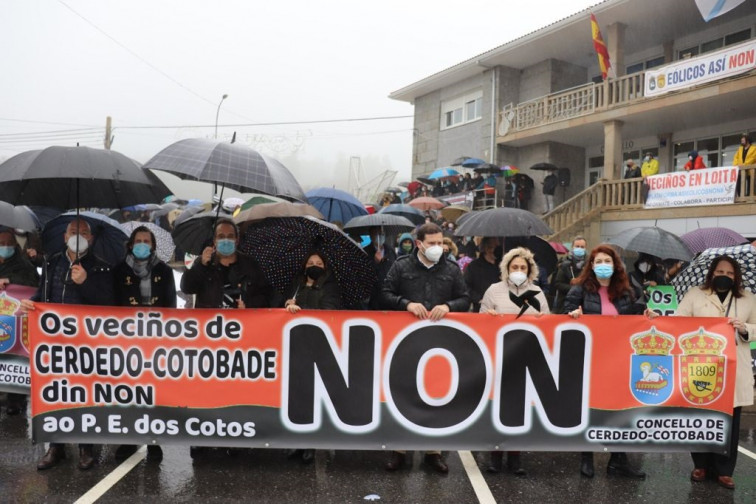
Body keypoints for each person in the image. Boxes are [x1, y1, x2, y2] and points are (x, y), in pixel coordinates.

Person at [647, 255, 755, 490]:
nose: (724, 276)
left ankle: (725, 470)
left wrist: (744, 328)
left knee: (730, 420)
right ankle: (701, 464)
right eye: (720, 272)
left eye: (729, 273)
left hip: (733, 368)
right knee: (700, 415)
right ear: (711, 272)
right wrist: (658, 317)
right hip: (701, 368)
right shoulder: (695, 294)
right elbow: (678, 321)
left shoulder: (747, 299)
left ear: (736, 276)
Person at [20, 219, 115, 471]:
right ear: (65, 237)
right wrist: (31, 303)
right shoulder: (52, 262)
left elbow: (108, 305)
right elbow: (43, 294)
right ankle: (56, 446)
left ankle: (86, 447)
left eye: (84, 233)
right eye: (74, 232)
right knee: (55, 392)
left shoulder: (101, 268)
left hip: (87, 344)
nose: (79, 236)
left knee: (84, 393)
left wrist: (86, 282)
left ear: (91, 239)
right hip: (53, 342)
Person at [381, 222, 470, 474]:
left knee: (437, 396)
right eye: (432, 243)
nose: (437, 247)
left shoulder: (452, 269)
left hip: (441, 342)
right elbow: (384, 294)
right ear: (419, 244)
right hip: (406, 342)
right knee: (403, 393)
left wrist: (450, 306)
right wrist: (406, 304)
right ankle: (399, 450)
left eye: (440, 242)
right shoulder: (400, 266)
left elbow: (466, 298)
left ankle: (434, 452)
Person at [563, 245, 645, 479]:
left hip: (619, 359)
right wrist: (572, 314)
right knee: (591, 407)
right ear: (591, 265)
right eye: (598, 261)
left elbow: (635, 318)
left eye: (607, 262)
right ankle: (586, 456)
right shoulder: (580, 289)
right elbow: (565, 312)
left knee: (620, 408)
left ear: (615, 265)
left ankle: (618, 460)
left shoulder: (626, 291)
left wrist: (648, 316)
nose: (603, 266)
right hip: (591, 358)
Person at [480, 247, 550, 477]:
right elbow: (479, 321)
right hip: (499, 357)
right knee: (498, 406)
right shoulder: (493, 290)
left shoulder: (537, 293)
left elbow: (548, 325)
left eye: (523, 267)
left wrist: (541, 320)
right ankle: (495, 454)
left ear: (530, 270)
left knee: (520, 407)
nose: (518, 271)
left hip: (527, 357)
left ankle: (515, 456)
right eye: (514, 267)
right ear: (506, 268)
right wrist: (487, 318)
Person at [112, 226, 177, 462]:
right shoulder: (118, 270)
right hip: (126, 340)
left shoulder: (165, 271)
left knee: (153, 391)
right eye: (138, 240)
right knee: (128, 390)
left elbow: (171, 306)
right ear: (130, 244)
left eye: (146, 241)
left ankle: (154, 440)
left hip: (156, 340)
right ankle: (128, 439)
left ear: (152, 245)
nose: (142, 244)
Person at [283, 252, 341, 464]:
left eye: (318, 263)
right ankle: (295, 441)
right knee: (295, 396)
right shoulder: (295, 285)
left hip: (319, 348)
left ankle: (310, 443)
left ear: (325, 266)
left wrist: (304, 307)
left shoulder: (330, 287)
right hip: (295, 346)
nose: (314, 266)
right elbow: (279, 307)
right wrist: (287, 304)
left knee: (314, 397)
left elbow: (330, 311)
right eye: (310, 263)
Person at [181, 219, 274, 309]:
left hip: (241, 322)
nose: (226, 240)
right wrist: (200, 265)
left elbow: (266, 295)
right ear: (214, 241)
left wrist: (249, 304)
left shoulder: (250, 264)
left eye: (230, 236)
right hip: (211, 322)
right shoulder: (204, 263)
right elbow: (186, 288)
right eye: (221, 236)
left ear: (236, 240)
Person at [0, 229, 39, 415]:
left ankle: (15, 399)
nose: (5, 247)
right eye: (1, 244)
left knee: (14, 358)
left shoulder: (23, 265)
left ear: (16, 246)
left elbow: (33, 282)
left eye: (8, 244)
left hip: (14, 325)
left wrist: (10, 280)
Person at [551, 236, 587, 314]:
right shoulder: (565, 264)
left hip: (583, 305)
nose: (579, 249)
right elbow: (558, 284)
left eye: (582, 247)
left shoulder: (588, 265)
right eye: (577, 246)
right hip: (564, 304)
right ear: (572, 247)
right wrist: (573, 289)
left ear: (585, 248)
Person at [464, 237, 501, 312]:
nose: (497, 250)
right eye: (494, 247)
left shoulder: (502, 265)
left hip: (501, 308)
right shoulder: (473, 266)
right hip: (480, 309)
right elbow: (465, 286)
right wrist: (478, 299)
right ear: (487, 248)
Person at [364, 227, 397, 309]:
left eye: (381, 234)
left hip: (389, 294)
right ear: (371, 236)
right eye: (376, 233)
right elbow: (364, 275)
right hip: (373, 297)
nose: (380, 236)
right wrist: (375, 262)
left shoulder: (390, 251)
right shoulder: (365, 252)